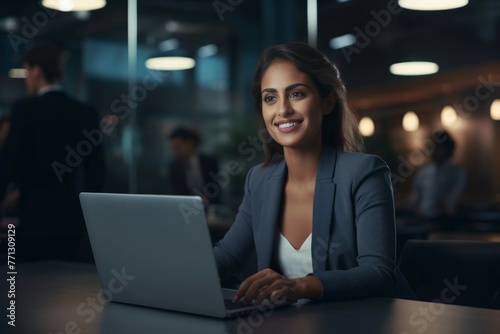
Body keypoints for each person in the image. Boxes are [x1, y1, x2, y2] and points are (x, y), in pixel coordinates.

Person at [213, 42, 415, 304]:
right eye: (270, 98)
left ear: (327, 102)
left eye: (296, 94)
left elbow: (379, 273)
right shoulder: (260, 179)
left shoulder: (364, 173)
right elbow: (228, 256)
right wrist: (167, 269)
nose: (282, 109)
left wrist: (299, 287)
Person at [0, 43, 105, 262]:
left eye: (27, 72)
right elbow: (97, 174)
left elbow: (6, 166)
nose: (27, 80)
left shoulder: (24, 109)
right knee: (67, 288)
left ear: (36, 71)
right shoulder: (86, 112)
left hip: (34, 218)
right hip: (73, 223)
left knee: (29, 288)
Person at [412, 130, 466, 226]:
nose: (435, 151)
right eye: (433, 147)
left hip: (445, 221)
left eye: (439, 147)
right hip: (422, 220)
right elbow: (416, 199)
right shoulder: (423, 172)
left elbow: (449, 203)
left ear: (448, 149)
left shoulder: (457, 173)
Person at [168, 126, 221, 204]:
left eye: (178, 147)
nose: (175, 152)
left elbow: (216, 188)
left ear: (190, 143)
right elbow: (176, 193)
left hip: (211, 207)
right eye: (174, 148)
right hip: (186, 208)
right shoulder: (174, 167)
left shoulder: (209, 162)